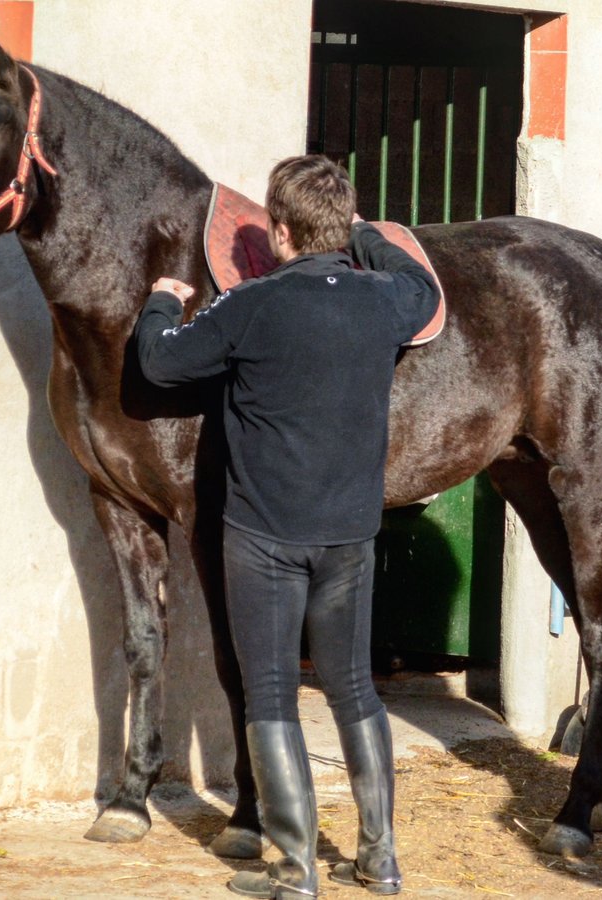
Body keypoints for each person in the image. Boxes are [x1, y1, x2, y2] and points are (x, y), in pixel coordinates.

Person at [133, 155, 438, 898]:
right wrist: (366, 240)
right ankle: (381, 859)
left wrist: (162, 302)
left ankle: (294, 871)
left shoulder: (253, 305)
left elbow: (159, 366)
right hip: (351, 536)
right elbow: (424, 287)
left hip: (265, 537)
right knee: (354, 691)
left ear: (278, 229)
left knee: (271, 694)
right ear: (341, 226)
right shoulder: (384, 301)